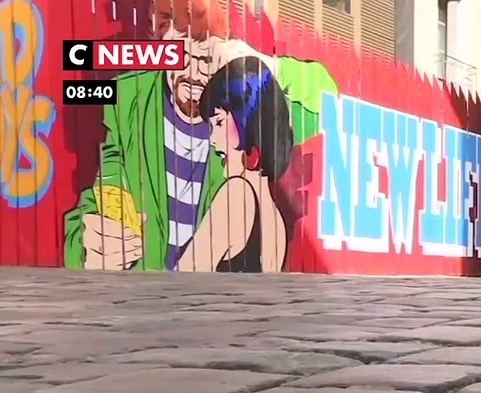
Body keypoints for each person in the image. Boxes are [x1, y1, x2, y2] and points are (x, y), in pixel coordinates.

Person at [62, 0, 336, 271]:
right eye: (183, 57)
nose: (195, 73)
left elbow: (327, 98)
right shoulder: (127, 99)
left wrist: (261, 63)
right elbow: (104, 191)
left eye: (207, 59)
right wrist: (86, 247)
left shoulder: (238, 107)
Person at [173, 57, 293, 272]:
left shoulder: (236, 196)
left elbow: (185, 275)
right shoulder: (274, 217)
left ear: (247, 119)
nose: (212, 140)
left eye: (219, 122)